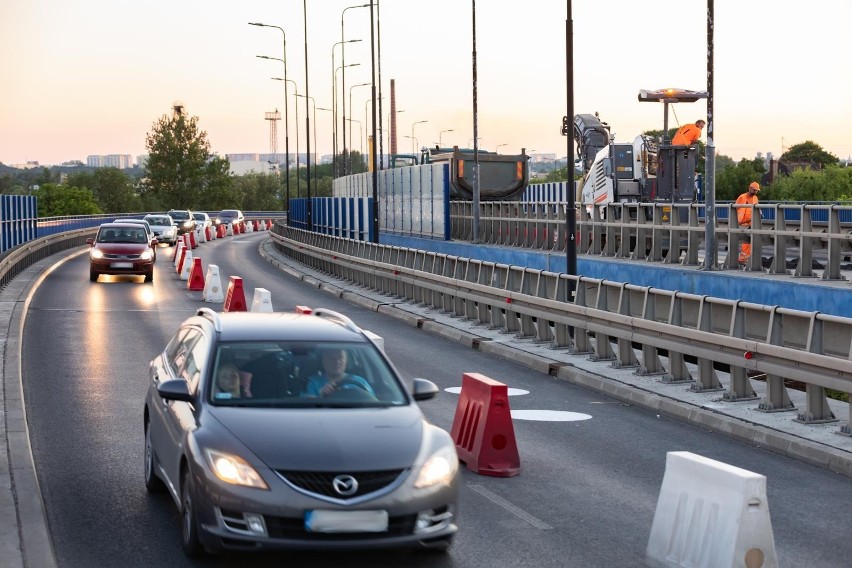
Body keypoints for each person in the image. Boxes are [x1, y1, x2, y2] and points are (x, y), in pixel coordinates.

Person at [303, 348, 374, 397]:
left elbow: (373, 402)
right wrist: (321, 396)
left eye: (340, 357)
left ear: (346, 360)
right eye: (331, 358)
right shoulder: (313, 382)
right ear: (322, 361)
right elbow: (305, 409)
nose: (337, 361)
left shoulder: (360, 382)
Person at [735, 181, 761, 264]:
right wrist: (735, 221)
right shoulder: (742, 197)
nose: (755, 192)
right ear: (750, 188)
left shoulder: (755, 198)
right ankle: (743, 259)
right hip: (742, 223)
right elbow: (735, 209)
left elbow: (757, 208)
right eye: (754, 190)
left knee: (750, 241)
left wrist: (760, 213)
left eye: (757, 190)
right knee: (746, 240)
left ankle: (746, 259)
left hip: (750, 223)